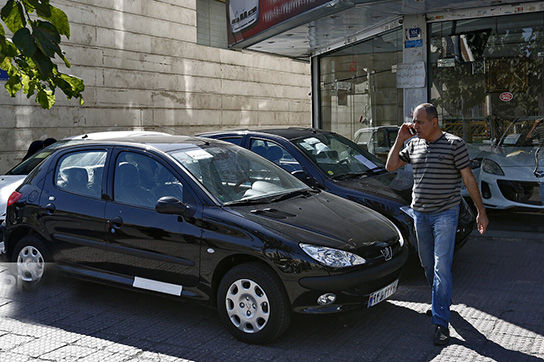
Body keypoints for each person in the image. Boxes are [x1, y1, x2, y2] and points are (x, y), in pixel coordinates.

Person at [386, 103, 489, 346]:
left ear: (434, 121)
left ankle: (441, 323)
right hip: (420, 214)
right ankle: (440, 301)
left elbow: (468, 179)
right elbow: (390, 166)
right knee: (428, 264)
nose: (415, 125)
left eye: (420, 121)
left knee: (442, 267)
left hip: (446, 214)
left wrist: (481, 212)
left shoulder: (454, 144)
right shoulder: (413, 144)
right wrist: (400, 138)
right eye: (414, 121)